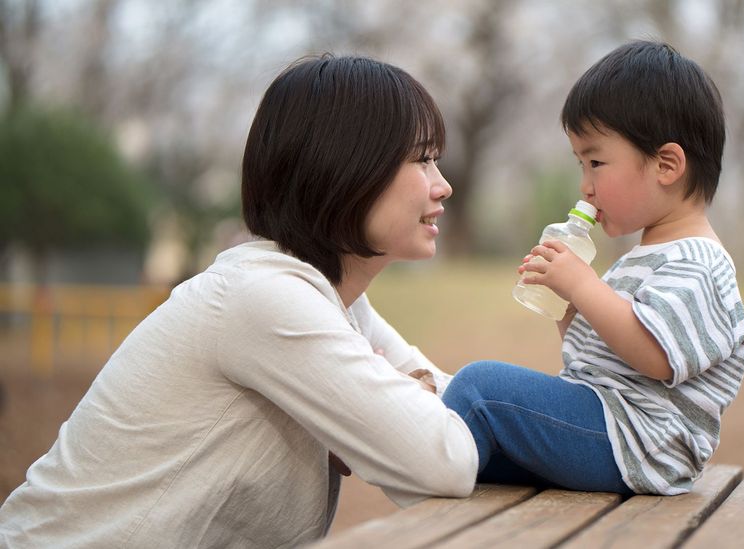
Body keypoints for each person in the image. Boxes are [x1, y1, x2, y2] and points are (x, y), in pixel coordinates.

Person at [0, 54, 477, 547]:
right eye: (422, 158)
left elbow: (470, 415)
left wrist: (400, 395)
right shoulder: (265, 298)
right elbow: (446, 460)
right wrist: (404, 398)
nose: (443, 185)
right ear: (347, 168)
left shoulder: (338, 302)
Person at [442, 41, 744, 496]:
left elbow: (653, 357)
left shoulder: (699, 264)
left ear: (666, 165)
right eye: (580, 165)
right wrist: (566, 305)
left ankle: (407, 461)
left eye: (596, 162)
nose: (585, 186)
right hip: (611, 429)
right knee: (480, 448)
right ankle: (422, 467)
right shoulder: (646, 256)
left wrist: (582, 283)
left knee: (480, 390)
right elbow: (598, 356)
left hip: (637, 441)